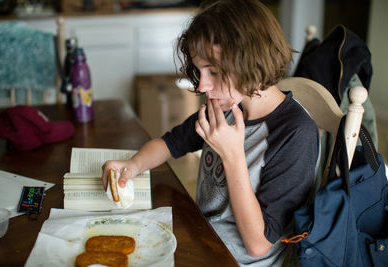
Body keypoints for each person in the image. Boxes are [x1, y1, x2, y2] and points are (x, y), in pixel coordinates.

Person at [101, 0, 319, 265]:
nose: (203, 85)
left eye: (214, 72)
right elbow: (171, 142)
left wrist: (233, 155)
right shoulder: (225, 105)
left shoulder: (296, 133)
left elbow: (259, 244)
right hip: (200, 235)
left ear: (253, 62)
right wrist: (133, 165)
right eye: (200, 70)